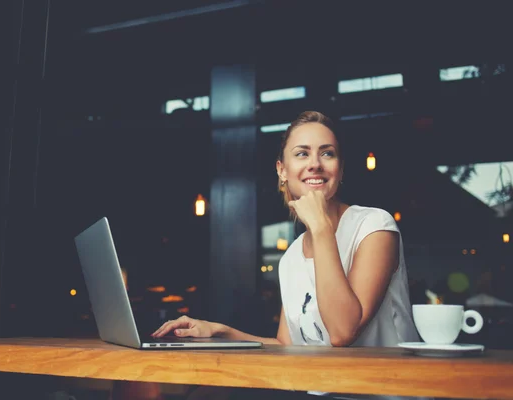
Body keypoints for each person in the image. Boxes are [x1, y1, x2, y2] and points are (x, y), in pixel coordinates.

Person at [152, 111, 422, 399]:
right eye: (302, 154)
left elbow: (343, 332)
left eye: (327, 153)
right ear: (282, 170)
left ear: (340, 170)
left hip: (387, 392)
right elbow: (286, 344)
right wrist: (220, 331)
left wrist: (320, 227)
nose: (315, 164)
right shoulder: (291, 258)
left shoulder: (374, 226)